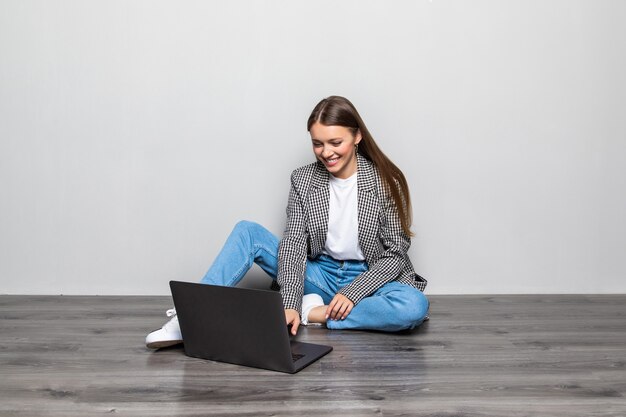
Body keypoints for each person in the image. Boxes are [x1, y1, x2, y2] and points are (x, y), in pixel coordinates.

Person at [146, 95, 429, 349]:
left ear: (357, 137)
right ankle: (189, 318)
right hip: (320, 274)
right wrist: (291, 303)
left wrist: (353, 294)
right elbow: (293, 245)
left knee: (413, 307)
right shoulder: (303, 179)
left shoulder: (386, 182)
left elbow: (395, 254)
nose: (326, 152)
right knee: (247, 231)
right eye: (317, 143)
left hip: (370, 277)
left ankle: (316, 313)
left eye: (335, 142)